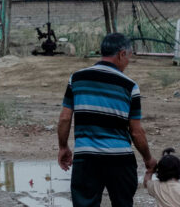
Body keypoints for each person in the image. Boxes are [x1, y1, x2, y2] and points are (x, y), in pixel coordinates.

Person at [57, 32, 156, 207]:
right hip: (120, 160)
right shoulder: (130, 86)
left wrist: (63, 147)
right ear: (121, 54)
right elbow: (136, 131)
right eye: (129, 57)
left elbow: (65, 118)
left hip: (86, 159)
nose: (128, 62)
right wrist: (148, 159)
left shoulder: (77, 79)